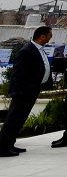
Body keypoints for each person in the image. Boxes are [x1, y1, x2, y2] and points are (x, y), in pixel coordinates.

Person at [0, 26, 53, 157]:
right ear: (42, 36)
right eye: (49, 35)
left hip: (32, 90)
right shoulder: (27, 50)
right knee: (13, 119)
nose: (51, 38)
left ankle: (10, 144)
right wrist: (20, 91)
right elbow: (18, 73)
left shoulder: (38, 50)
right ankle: (2, 147)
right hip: (23, 92)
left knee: (19, 120)